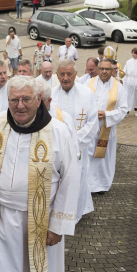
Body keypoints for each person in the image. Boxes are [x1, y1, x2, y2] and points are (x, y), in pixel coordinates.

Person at [0, 75, 80, 272]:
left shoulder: (58, 132)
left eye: (26, 99)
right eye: (14, 100)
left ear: (38, 99)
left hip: (41, 221)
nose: (19, 106)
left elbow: (70, 179)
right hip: (1, 218)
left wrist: (58, 225)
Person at [51, 59, 98, 223]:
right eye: (62, 74)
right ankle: (56, 215)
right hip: (56, 150)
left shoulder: (87, 94)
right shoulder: (50, 95)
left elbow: (93, 123)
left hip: (78, 149)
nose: (65, 78)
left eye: (69, 74)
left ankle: (74, 216)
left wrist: (74, 142)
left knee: (77, 181)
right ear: (57, 75)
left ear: (75, 74)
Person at [84, 59, 127, 195]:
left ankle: (101, 185)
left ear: (112, 70)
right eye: (101, 68)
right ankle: (87, 184)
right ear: (97, 69)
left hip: (106, 129)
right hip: (89, 128)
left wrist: (107, 115)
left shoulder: (118, 87)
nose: (104, 72)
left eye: (107, 69)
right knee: (88, 156)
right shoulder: (88, 84)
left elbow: (123, 109)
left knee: (103, 159)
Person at [37, 78, 79, 159]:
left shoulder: (64, 119)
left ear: (49, 101)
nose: (36, 105)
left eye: (40, 102)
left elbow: (73, 150)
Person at [123, 47, 137, 117]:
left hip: (136, 80)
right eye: (132, 53)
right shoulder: (128, 62)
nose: (133, 55)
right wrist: (124, 80)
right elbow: (125, 72)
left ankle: (136, 109)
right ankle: (127, 111)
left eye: (134, 53)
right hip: (129, 80)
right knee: (128, 96)